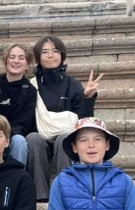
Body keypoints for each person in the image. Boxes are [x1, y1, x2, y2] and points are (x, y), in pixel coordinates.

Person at [25, 35, 104, 201]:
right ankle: (40, 195)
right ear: (38, 57)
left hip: (65, 137)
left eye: (55, 51)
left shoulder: (72, 84)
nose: (50, 55)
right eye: (45, 52)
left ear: (62, 55)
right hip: (41, 137)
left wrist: (88, 97)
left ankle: (65, 191)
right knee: (32, 138)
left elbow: (85, 119)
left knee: (64, 139)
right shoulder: (31, 85)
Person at [0, 43, 36, 165]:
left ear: (27, 65)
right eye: (12, 57)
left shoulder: (30, 90)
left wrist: (4, 136)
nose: (16, 61)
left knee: (20, 142)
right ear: (6, 61)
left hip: (14, 134)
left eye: (21, 58)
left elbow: (24, 122)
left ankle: (17, 178)